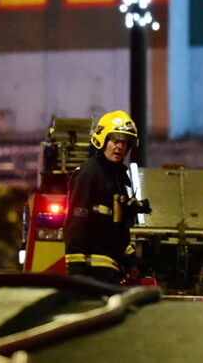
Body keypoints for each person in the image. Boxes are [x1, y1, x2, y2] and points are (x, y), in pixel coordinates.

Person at [63, 110, 151, 284]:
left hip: (110, 270)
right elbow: (76, 225)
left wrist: (132, 260)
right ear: (102, 140)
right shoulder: (89, 173)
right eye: (115, 141)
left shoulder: (116, 177)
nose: (120, 147)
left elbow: (116, 229)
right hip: (93, 272)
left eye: (125, 143)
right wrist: (77, 273)